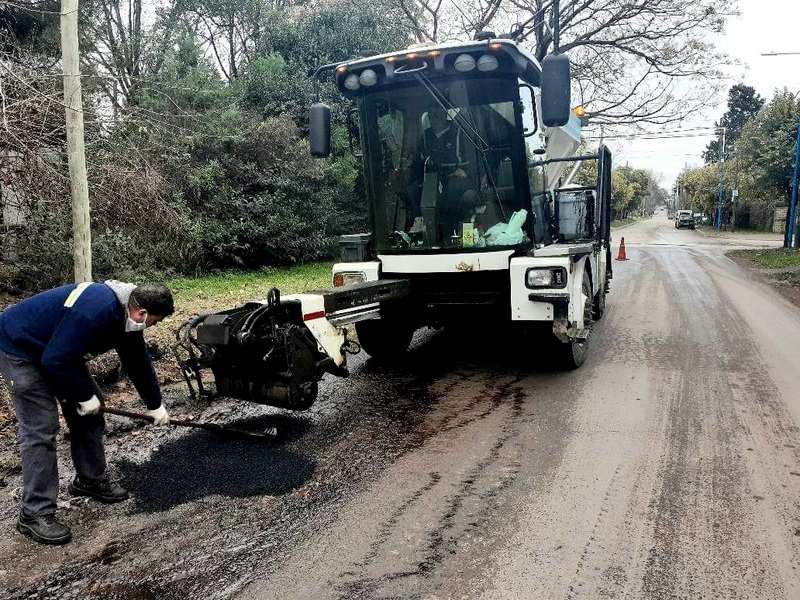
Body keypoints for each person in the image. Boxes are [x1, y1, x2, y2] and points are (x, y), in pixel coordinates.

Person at [0, 280, 174, 545]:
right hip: (20, 347)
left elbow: (137, 360)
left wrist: (155, 404)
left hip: (59, 351)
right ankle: (34, 513)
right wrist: (82, 395)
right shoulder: (96, 309)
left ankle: (90, 479)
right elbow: (55, 360)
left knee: (90, 414)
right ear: (142, 313)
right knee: (41, 428)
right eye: (155, 322)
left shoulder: (128, 316)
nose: (152, 327)